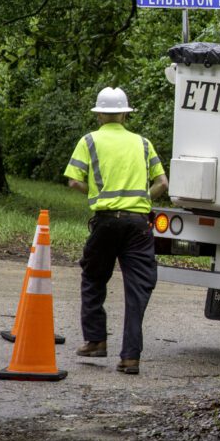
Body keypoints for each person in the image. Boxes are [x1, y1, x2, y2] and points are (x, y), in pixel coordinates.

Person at [63, 87, 168, 375]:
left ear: (98, 115)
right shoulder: (143, 144)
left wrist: (96, 192)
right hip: (138, 224)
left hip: (106, 221)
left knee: (94, 277)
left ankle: (96, 340)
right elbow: (163, 183)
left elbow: (73, 181)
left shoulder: (89, 141)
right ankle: (130, 357)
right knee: (137, 290)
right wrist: (144, 198)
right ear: (124, 114)